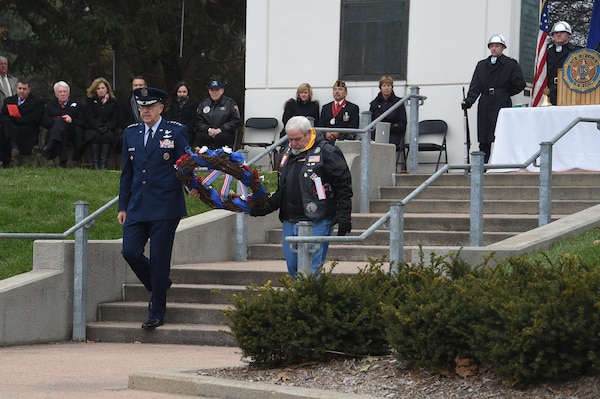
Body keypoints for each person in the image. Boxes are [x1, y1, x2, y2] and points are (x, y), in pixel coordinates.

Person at [117, 87, 190, 330]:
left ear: (161, 108)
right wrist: (123, 205)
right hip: (138, 204)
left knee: (160, 260)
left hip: (165, 205)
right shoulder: (131, 133)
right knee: (130, 251)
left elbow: (185, 165)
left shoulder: (176, 131)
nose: (145, 111)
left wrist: (194, 186)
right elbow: (127, 173)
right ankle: (158, 283)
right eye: (141, 107)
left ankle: (156, 312)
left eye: (149, 106)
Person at [250, 116, 353, 277]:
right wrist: (262, 207)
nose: (293, 144)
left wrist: (344, 214)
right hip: (290, 219)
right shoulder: (287, 154)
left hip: (318, 218)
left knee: (310, 269)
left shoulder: (327, 152)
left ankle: (309, 300)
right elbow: (282, 190)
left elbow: (343, 186)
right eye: (290, 139)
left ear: (308, 134)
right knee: (293, 266)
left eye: (297, 139)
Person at [462, 34, 525, 164]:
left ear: (503, 47)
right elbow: (475, 85)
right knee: (485, 136)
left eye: (497, 46)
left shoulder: (510, 64)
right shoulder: (481, 65)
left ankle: (502, 162)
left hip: (501, 102)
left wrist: (505, 93)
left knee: (502, 134)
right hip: (485, 101)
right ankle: (482, 164)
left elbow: (520, 84)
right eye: (492, 46)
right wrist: (469, 100)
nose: (494, 49)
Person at [38, 81, 85, 168]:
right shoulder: (50, 106)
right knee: (60, 126)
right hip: (59, 133)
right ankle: (63, 163)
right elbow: (45, 123)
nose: (63, 94)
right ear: (56, 94)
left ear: (69, 93)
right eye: (60, 92)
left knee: (61, 127)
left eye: (65, 91)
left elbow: (83, 122)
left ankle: (49, 146)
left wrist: (71, 120)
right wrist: (57, 120)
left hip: (73, 132)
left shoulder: (77, 104)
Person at [0, 78, 44, 167]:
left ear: (29, 90)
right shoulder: (9, 101)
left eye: (24, 89)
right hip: (10, 127)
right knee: (4, 126)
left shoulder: (37, 102)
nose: (21, 91)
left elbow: (35, 118)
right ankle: (13, 148)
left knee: (10, 128)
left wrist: (17, 120)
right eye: (20, 88)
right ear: (16, 88)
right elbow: (3, 116)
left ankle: (12, 152)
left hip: (27, 130)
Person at [82, 77, 121, 169]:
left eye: (103, 88)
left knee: (106, 136)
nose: (101, 90)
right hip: (93, 128)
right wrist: (98, 126)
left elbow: (116, 119)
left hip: (109, 129)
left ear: (107, 88)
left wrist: (107, 127)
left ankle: (103, 164)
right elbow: (89, 117)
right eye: (98, 88)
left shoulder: (114, 102)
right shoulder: (90, 101)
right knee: (95, 136)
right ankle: (95, 164)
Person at [195, 79, 241, 149]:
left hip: (224, 133)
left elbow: (235, 121)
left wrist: (220, 129)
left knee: (221, 137)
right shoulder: (203, 104)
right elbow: (198, 121)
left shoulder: (230, 103)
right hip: (208, 132)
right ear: (209, 91)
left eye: (217, 90)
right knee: (200, 136)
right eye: (212, 90)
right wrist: (209, 129)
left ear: (222, 91)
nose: (214, 92)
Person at [546, 21, 582, 106]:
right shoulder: (546, 53)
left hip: (569, 91)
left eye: (562, 32)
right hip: (550, 92)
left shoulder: (577, 52)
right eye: (556, 33)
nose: (558, 35)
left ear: (568, 34)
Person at [369, 75, 407, 149]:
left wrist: (390, 127)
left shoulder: (399, 103)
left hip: (394, 134)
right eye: (384, 85)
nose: (386, 88)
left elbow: (402, 122)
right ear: (380, 88)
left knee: (389, 146)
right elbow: (371, 122)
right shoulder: (374, 103)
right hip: (377, 134)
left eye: (388, 85)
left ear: (392, 87)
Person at [164, 81, 198, 146]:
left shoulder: (193, 104)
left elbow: (193, 119)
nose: (182, 94)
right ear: (176, 92)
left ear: (188, 92)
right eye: (179, 92)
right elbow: (168, 118)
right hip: (171, 132)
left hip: (188, 132)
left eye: (184, 92)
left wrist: (184, 129)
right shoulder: (170, 103)